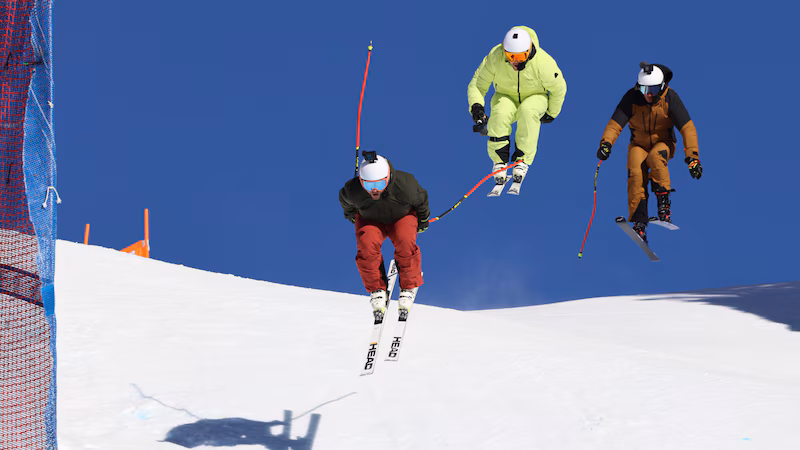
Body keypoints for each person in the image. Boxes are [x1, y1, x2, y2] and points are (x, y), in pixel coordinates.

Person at [596, 61, 702, 243]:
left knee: (655, 158)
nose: (649, 95)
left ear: (662, 86)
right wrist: (606, 144)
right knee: (635, 169)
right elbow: (615, 124)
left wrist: (692, 158)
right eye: (645, 89)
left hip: (664, 143)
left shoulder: (670, 98)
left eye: (653, 89)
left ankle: (663, 206)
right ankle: (639, 221)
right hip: (638, 144)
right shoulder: (632, 98)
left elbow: (688, 128)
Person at [467, 26, 567, 185]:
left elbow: (559, 88)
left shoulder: (544, 63)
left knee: (528, 110)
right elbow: (477, 84)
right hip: (506, 95)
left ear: (529, 51)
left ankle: (522, 159)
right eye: (511, 56)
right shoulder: (496, 57)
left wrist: (552, 112)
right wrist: (476, 106)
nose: (515, 61)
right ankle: (499, 160)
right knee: (500, 112)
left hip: (535, 96)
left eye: (520, 57)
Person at [339, 152, 429, 317]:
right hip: (371, 220)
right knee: (366, 247)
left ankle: (408, 286)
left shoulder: (405, 185)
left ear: (388, 178)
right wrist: (352, 216)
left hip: (401, 217)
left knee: (405, 242)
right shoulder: (353, 190)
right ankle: (377, 289)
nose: (374, 190)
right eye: (368, 186)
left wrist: (422, 221)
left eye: (380, 184)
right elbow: (345, 202)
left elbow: (421, 200)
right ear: (361, 182)